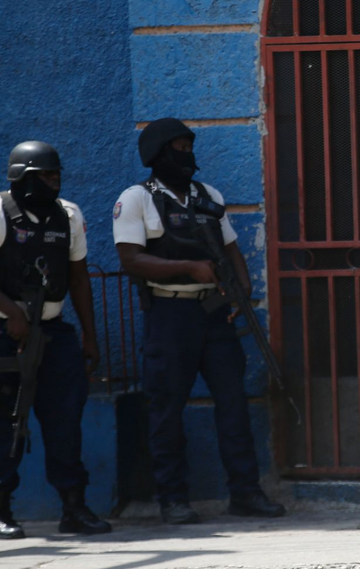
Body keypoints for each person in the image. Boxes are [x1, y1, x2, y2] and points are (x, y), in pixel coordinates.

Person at [113, 118, 285, 524]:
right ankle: (172, 498)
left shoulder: (206, 195)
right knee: (167, 408)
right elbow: (131, 260)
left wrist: (242, 294)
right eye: (178, 147)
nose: (186, 154)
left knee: (233, 405)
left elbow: (231, 249)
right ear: (157, 153)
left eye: (189, 147)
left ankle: (245, 493)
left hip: (213, 313)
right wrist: (190, 267)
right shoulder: (136, 199)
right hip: (170, 314)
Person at [0, 142, 110, 539]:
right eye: (46, 175)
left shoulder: (68, 214)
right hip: (5, 333)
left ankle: (74, 508)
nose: (54, 181)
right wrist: (12, 314)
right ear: (23, 177)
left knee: (65, 420)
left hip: (53, 331)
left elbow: (78, 279)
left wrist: (89, 338)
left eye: (56, 174)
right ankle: (2, 510)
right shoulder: (0, 212)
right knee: (5, 421)